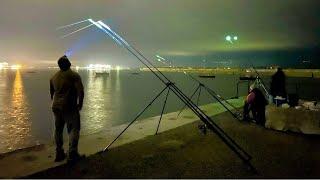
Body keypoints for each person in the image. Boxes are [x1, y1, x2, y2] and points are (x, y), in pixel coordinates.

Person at [50, 55, 84, 162]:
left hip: (56, 107)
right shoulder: (74, 75)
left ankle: (59, 153)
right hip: (69, 107)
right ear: (68, 64)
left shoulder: (53, 77)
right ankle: (72, 153)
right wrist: (80, 104)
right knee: (74, 128)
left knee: (58, 130)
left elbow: (52, 94)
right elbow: (80, 92)